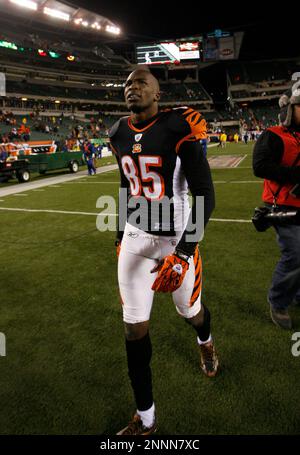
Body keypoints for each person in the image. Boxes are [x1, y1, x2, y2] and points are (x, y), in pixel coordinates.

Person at [109, 68, 219, 436]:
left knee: (191, 313)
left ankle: (205, 341)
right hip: (137, 238)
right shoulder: (117, 131)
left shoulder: (179, 126)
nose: (132, 88)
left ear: (158, 93)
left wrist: (185, 252)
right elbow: (126, 182)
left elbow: (206, 194)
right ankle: (147, 417)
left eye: (141, 82)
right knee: (133, 329)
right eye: (127, 84)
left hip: (175, 239)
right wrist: (119, 232)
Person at [252, 81, 300, 330]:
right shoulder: (273, 135)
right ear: (290, 109)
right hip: (282, 206)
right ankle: (279, 301)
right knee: (295, 253)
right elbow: (259, 167)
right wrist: (295, 175)